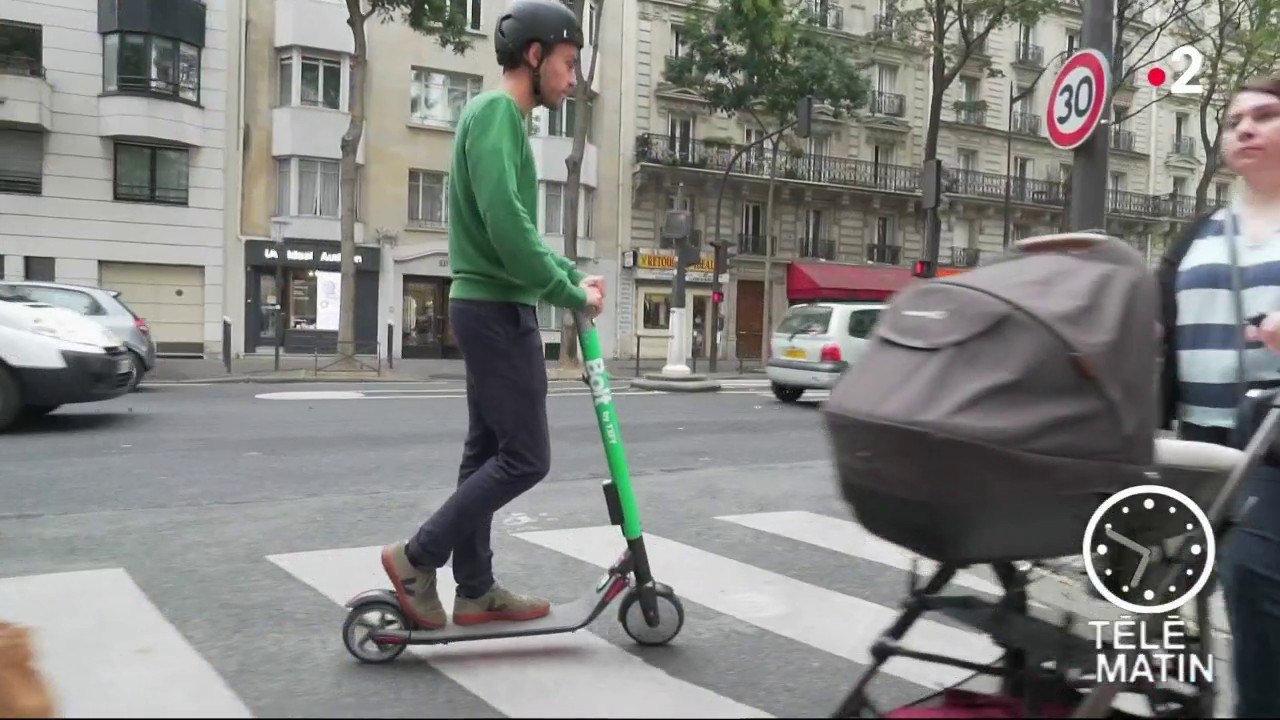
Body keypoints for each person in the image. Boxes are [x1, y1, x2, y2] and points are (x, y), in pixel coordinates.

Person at [380, 0, 604, 631]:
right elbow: (507, 228)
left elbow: (518, 228)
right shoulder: (499, 114)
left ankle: (474, 590)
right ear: (535, 56)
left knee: (485, 455)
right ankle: (416, 557)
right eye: (567, 63)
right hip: (497, 311)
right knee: (527, 456)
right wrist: (567, 294)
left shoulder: (498, 119)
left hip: (492, 305)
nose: (572, 78)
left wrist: (567, 276)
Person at [1156, 74, 1280, 718]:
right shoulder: (1203, 231)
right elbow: (1155, 319)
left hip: (1273, 448)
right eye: (1235, 121)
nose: (1245, 128)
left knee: (1252, 585)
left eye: (1265, 115)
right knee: (1184, 590)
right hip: (1199, 445)